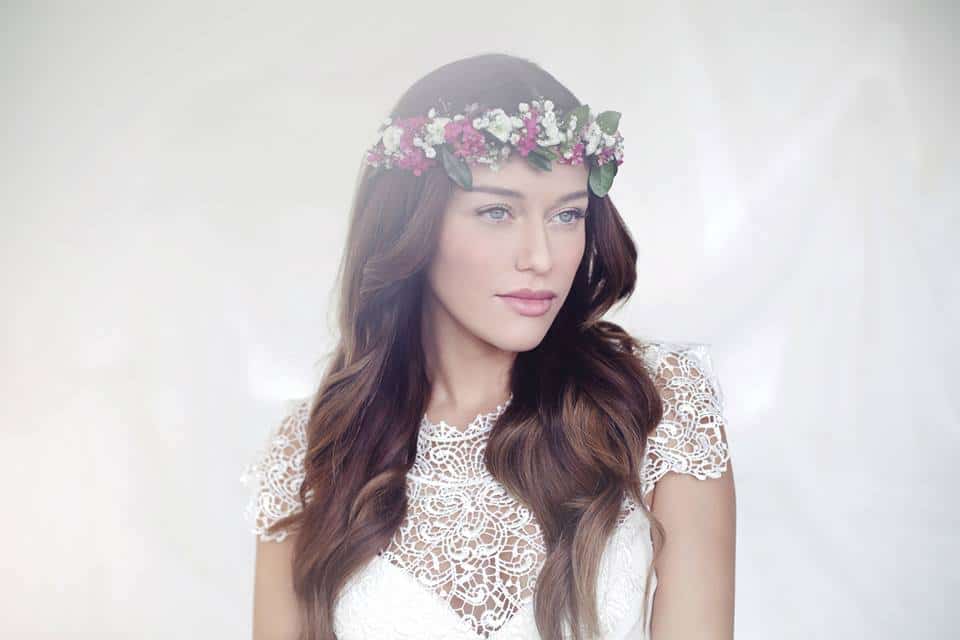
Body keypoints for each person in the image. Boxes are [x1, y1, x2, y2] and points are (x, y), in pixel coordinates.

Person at [241, 52, 735, 640]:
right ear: (412, 225)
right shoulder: (315, 449)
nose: (541, 257)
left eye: (567, 215)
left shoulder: (660, 407)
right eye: (497, 212)